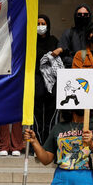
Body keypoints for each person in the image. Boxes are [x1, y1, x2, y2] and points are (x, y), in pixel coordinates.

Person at [34, 14, 59, 145]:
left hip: (52, 83)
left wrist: (59, 50)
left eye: (43, 24)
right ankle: (37, 144)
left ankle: (49, 144)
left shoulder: (54, 40)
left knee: (50, 116)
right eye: (38, 24)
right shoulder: (31, 40)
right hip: (36, 81)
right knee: (37, 116)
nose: (41, 26)